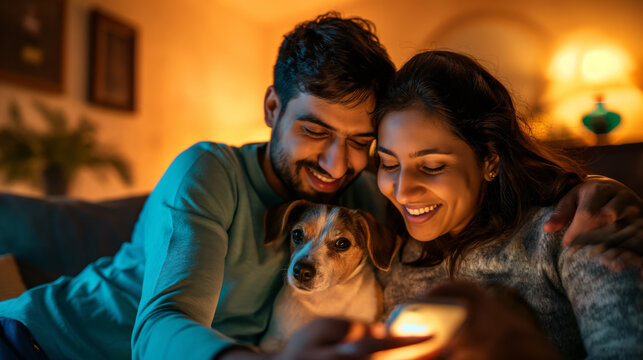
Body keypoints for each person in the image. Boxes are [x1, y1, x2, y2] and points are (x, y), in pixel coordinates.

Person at [0, 13, 640, 360]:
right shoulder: (209, 171)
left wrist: (593, 189)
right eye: (314, 129)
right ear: (273, 107)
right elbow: (161, 326)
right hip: (36, 342)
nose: (339, 163)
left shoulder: (371, 196)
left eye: (362, 141)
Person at [373, 50, 642, 359]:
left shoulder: (567, 234)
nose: (403, 192)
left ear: (489, 160)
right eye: (388, 164)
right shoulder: (390, 259)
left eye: (432, 166)